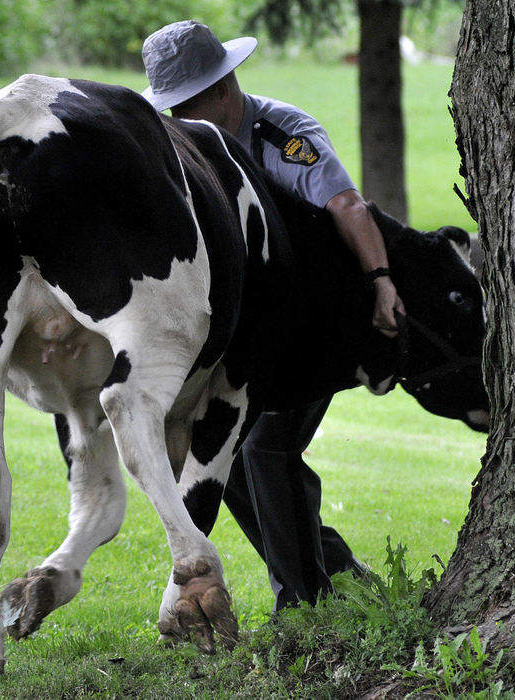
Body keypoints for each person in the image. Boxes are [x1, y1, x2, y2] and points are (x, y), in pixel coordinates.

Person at [141, 20, 404, 611]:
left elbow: (346, 204)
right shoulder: (180, 147)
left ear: (225, 88)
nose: (178, 117)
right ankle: (335, 573)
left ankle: (301, 604)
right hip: (250, 336)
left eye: (189, 103)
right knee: (224, 455)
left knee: (266, 449)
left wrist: (381, 281)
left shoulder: (283, 133)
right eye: (171, 106)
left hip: (318, 324)